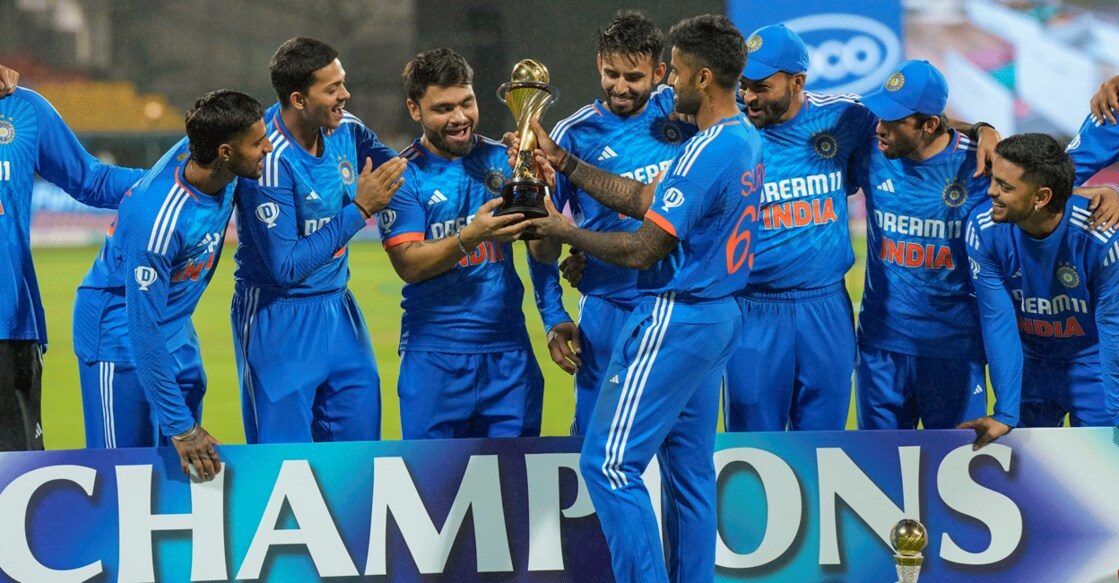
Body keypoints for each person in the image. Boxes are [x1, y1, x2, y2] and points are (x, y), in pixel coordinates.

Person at [528, 15, 761, 582]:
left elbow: (642, 248)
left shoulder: (704, 146)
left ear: (700, 77)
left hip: (674, 315)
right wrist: (564, 163)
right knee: (691, 472)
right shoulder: (740, 138)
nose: (667, 83)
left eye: (673, 72)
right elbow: (644, 198)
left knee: (607, 465)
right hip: (713, 316)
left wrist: (567, 232)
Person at [73, 90, 272, 481]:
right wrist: (182, 428)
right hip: (119, 334)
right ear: (226, 153)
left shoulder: (216, 159)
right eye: (258, 143)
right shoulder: (158, 221)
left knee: (181, 476)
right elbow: (141, 328)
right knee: (125, 479)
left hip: (176, 327)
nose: (268, 147)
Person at [528, 10, 696, 435]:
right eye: (611, 74)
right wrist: (552, 315)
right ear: (599, 64)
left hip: (677, 309)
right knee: (598, 439)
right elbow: (542, 232)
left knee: (679, 442)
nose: (620, 87)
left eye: (633, 77)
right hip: (607, 312)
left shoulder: (683, 115)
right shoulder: (572, 135)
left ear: (659, 72)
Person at [232, 37, 405, 444]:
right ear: (298, 99)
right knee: (284, 464)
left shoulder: (347, 129)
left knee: (359, 455)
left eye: (342, 82)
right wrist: (359, 210)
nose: (345, 94)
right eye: (332, 88)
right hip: (278, 316)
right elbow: (286, 266)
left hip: (339, 309)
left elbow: (401, 171)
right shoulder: (267, 158)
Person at [377, 48, 551, 439]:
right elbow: (409, 264)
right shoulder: (404, 175)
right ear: (415, 109)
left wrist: (542, 200)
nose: (459, 118)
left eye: (466, 103)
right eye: (443, 108)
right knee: (434, 479)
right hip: (434, 358)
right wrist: (473, 234)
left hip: (508, 355)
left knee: (513, 478)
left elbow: (544, 252)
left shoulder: (506, 161)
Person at [721, 24, 878, 432]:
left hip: (825, 310)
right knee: (752, 451)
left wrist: (979, 130)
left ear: (797, 82)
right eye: (744, 85)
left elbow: (915, 119)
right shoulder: (724, 128)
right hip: (751, 309)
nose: (749, 97)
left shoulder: (845, 116)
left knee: (824, 449)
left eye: (762, 87)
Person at [852, 60, 1007, 431]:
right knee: (877, 462)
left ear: (929, 124)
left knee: (956, 461)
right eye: (881, 115)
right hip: (880, 346)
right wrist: (983, 126)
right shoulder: (871, 152)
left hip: (953, 349)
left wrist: (1104, 194)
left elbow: (1047, 194)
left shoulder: (981, 166)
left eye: (894, 120)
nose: (880, 127)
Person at [0, 65, 144, 452]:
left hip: (8, 324)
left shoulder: (22, 110)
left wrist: (174, 180)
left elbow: (90, 180)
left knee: (13, 473)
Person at [962, 133, 1119, 448]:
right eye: (994, 180)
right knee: (1028, 472)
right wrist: (1006, 411)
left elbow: (1113, 326)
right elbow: (998, 322)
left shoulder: (1101, 236)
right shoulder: (983, 229)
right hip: (1029, 365)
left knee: (1104, 469)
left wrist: (1116, 414)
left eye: (1005, 186)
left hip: (1093, 367)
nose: (991, 191)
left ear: (1041, 197)